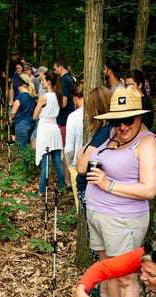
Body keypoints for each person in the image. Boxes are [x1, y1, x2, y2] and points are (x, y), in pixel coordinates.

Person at [76, 85, 156, 297]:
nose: (122, 126)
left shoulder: (147, 143)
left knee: (126, 277)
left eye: (129, 120)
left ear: (140, 117)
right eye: (117, 120)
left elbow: (149, 189)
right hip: (98, 214)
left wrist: (108, 185)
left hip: (124, 220)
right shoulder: (112, 134)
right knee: (107, 269)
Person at [75, 86, 113, 297]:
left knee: (99, 245)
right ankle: (104, 289)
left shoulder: (103, 133)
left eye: (89, 109)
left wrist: (82, 155)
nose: (87, 114)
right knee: (98, 243)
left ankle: (105, 293)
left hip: (91, 193)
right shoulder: (103, 132)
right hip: (90, 192)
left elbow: (81, 165)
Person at [33, 70, 65, 197]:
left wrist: (41, 115)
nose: (41, 82)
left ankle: (41, 190)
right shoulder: (58, 96)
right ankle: (60, 187)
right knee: (57, 161)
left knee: (45, 161)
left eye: (43, 80)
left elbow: (35, 115)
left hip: (45, 128)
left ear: (48, 81)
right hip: (55, 128)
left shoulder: (44, 97)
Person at [53, 57, 75, 186]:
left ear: (60, 67)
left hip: (64, 120)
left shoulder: (65, 80)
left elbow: (64, 102)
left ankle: (67, 181)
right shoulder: (71, 78)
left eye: (55, 68)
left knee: (65, 151)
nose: (55, 71)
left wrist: (54, 107)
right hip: (67, 119)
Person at [65, 81, 84, 211]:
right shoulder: (99, 113)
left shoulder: (73, 116)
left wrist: (69, 161)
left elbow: (69, 148)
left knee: (80, 204)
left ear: (75, 97)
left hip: (76, 165)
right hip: (96, 165)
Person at [9, 74, 36, 165]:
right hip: (32, 123)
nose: (18, 87)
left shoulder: (20, 96)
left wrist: (11, 118)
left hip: (21, 124)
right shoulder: (32, 96)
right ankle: (32, 165)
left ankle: (26, 167)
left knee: (23, 147)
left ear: (22, 86)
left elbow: (13, 111)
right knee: (30, 147)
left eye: (19, 86)